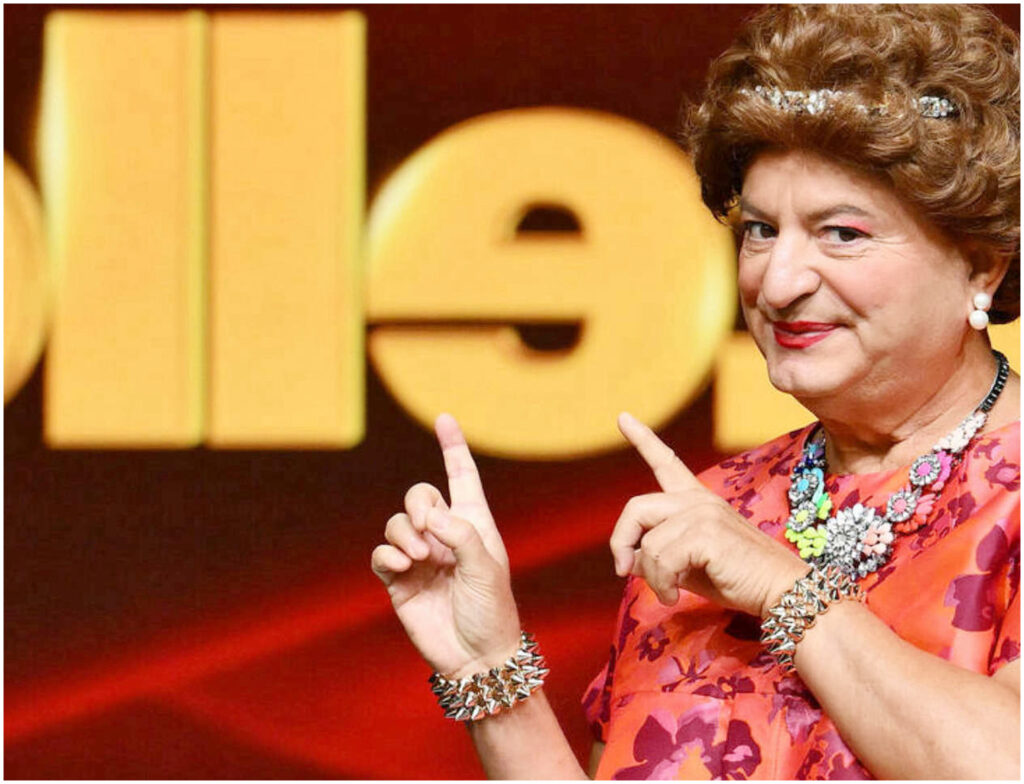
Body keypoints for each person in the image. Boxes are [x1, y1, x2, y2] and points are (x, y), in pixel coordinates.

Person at [371, 4, 1020, 779]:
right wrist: (491, 667)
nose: (777, 283)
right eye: (760, 230)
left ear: (981, 264)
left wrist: (786, 590)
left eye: (841, 233)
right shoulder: (715, 510)